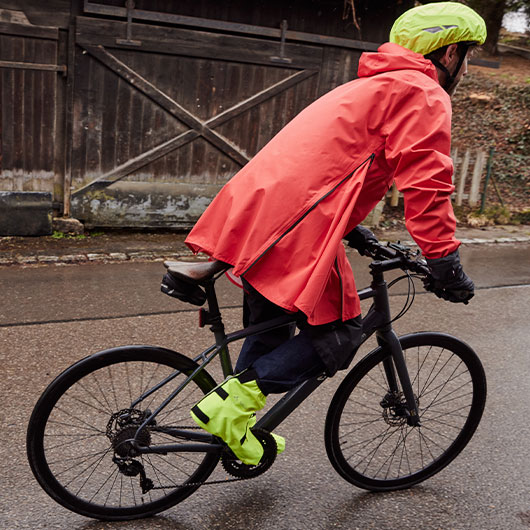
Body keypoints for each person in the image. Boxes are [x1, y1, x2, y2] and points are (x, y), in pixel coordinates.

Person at [185, 2, 486, 465]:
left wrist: (356, 230)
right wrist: (444, 263)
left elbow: (328, 166)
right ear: (449, 54)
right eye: (470, 55)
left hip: (253, 217)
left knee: (273, 329)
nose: (468, 68)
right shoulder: (422, 93)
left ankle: (235, 426)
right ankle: (227, 408)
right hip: (293, 228)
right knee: (340, 334)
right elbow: (426, 184)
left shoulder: (370, 86)